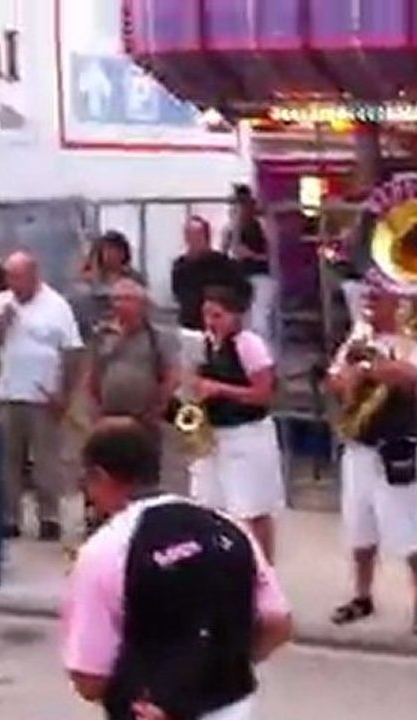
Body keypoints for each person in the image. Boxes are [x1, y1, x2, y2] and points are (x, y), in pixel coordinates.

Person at [62, 417, 292, 720]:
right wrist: (220, 667)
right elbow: (278, 624)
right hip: (231, 705)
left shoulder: (104, 551)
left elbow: (88, 677)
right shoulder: (227, 527)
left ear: (100, 476)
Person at [325, 282, 417, 636]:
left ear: (395, 302)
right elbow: (334, 379)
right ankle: (362, 595)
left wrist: (370, 368)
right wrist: (350, 377)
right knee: (360, 527)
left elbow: (410, 377)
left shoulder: (407, 337)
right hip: (360, 443)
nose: (370, 305)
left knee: (408, 530)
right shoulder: (358, 334)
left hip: (396, 444)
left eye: (377, 299)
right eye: (368, 299)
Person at [188, 286, 284, 563]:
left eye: (217, 315)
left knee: (252, 510)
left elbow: (264, 394)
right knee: (209, 509)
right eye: (206, 315)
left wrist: (220, 389)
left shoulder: (248, 344)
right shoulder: (202, 344)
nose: (210, 322)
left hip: (247, 435)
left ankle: (263, 574)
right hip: (214, 435)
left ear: (234, 316)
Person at [0, 251, 84, 541]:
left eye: (18, 277)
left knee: (46, 460)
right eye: (9, 277)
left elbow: (72, 351)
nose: (13, 283)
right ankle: (9, 517)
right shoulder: (3, 303)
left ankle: (49, 516)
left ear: (34, 275)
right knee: (9, 459)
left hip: (44, 395)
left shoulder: (56, 306)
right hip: (9, 393)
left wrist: (65, 393)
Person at [88, 278, 182, 493]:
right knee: (109, 473)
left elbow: (171, 375)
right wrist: (95, 408)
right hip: (109, 418)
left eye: (128, 299)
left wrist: (157, 407)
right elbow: (93, 373)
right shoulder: (103, 335)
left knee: (143, 475)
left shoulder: (156, 336)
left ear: (142, 304)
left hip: (143, 420)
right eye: (117, 299)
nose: (121, 304)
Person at [172, 216, 249, 332]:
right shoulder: (180, 266)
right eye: (189, 235)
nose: (193, 239)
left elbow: (243, 292)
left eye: (197, 235)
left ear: (206, 237)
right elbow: (179, 294)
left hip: (221, 328)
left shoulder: (224, 264)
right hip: (191, 326)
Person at [74, 231, 146, 338]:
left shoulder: (134, 278)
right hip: (96, 330)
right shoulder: (92, 278)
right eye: (106, 249)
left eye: (114, 249)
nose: (110, 254)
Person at [225, 185, 274, 342]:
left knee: (259, 322)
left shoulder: (261, 225)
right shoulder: (231, 228)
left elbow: (273, 255)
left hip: (261, 275)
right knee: (242, 320)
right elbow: (224, 252)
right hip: (238, 278)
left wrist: (251, 254)